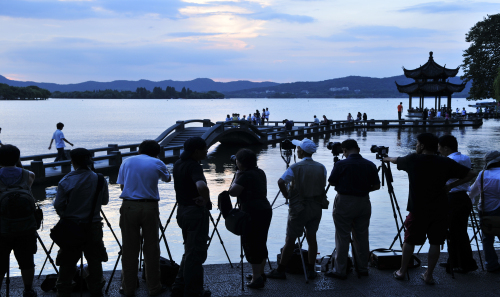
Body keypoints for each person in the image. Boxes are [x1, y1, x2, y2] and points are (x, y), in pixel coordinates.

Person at [383, 133, 474, 285]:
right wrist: (450, 186)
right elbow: (471, 173)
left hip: (417, 208)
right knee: (435, 242)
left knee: (409, 240)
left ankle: (402, 271)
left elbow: (395, 160)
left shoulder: (413, 159)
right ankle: (428, 275)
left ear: (423, 146)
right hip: (440, 209)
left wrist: (385, 158)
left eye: (417, 144)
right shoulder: (445, 162)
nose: (416, 146)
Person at [266, 139, 328, 280]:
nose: (296, 150)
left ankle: (281, 270)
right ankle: (311, 270)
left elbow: (281, 182)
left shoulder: (295, 167)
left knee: (290, 239)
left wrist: (287, 195)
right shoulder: (321, 167)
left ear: (301, 150)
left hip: (299, 207)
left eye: (298, 148)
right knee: (312, 238)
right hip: (316, 206)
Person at [117, 140, 171, 297]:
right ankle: (154, 287)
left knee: (129, 249)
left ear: (140, 150)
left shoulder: (127, 162)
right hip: (149, 207)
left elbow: (122, 186)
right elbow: (167, 179)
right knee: (151, 248)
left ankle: (128, 288)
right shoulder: (157, 162)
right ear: (157, 152)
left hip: (128, 206)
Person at [53, 148, 109, 297]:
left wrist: (66, 214)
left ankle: (63, 291)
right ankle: (96, 291)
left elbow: (58, 205)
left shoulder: (66, 180)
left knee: (67, 262)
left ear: (73, 161)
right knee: (95, 260)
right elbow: (105, 201)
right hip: (94, 226)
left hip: (71, 227)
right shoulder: (100, 179)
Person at [326, 139, 380, 279]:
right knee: (362, 236)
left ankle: (340, 270)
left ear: (344, 151)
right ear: (358, 149)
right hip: (363, 201)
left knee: (342, 236)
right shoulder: (370, 165)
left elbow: (332, 182)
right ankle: (362, 268)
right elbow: (376, 186)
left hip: (344, 201)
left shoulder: (341, 164)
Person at [171, 137, 211, 297]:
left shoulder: (177, 164)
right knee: (196, 252)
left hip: (182, 211)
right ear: (196, 151)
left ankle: (179, 285)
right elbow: (201, 185)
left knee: (189, 249)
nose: (207, 151)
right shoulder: (194, 166)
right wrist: (207, 200)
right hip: (195, 212)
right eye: (205, 149)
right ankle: (194, 291)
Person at [228, 149, 272, 289]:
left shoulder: (244, 175)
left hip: (252, 213)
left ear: (240, 163)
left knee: (251, 244)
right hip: (265, 210)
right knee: (261, 241)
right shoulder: (260, 172)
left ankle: (257, 279)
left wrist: (237, 175)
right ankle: (260, 273)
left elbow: (232, 192)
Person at [0, 145, 37, 297]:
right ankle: (28, 290)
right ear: (18, 158)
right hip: (26, 227)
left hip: (2, 229)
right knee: (27, 261)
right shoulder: (29, 175)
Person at [437, 135, 478, 274]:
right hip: (464, 198)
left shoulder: (448, 161)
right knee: (461, 231)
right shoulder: (465, 158)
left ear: (446, 147)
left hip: (452, 198)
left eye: (439, 147)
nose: (438, 150)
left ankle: (459, 264)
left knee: (453, 232)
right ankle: (458, 261)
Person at [469, 151, 500, 273]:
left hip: (486, 210)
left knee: (487, 238)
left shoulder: (482, 174)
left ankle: (491, 264)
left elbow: (472, 193)